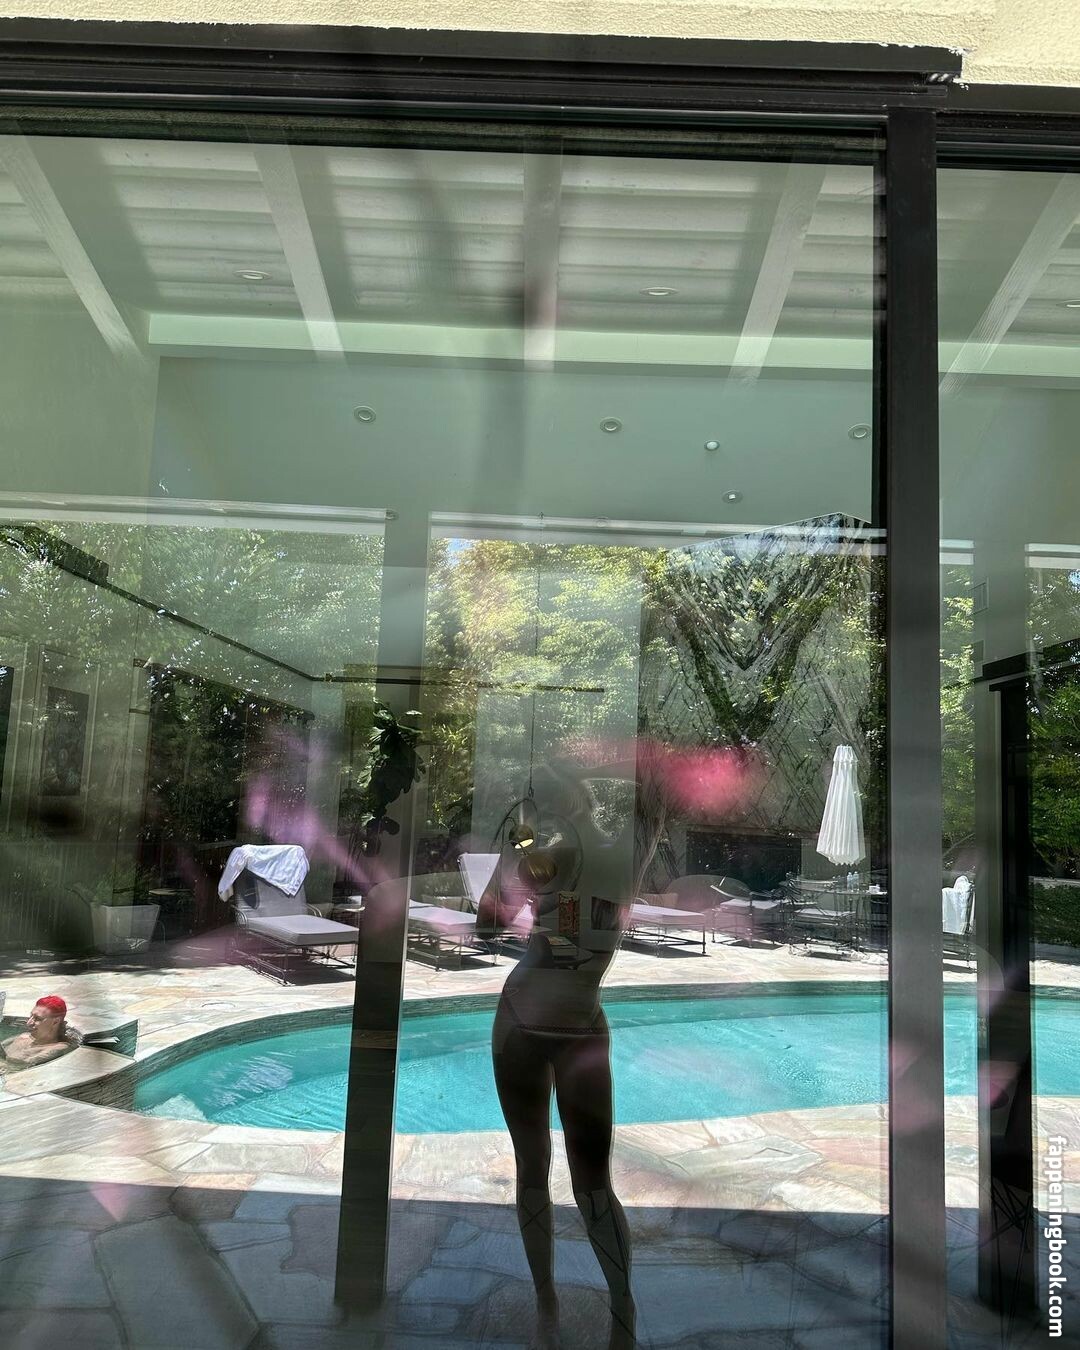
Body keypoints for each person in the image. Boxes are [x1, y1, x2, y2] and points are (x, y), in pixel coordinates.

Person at [491, 762, 636, 1350]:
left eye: (537, 799)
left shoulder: (557, 852)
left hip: (532, 1019)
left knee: (550, 1171)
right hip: (558, 1020)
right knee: (582, 1179)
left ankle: (561, 1300)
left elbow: (491, 913)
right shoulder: (602, 854)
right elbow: (498, 913)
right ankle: (604, 1306)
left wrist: (521, 845)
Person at [1, 995, 72, 1066]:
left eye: (38, 1019)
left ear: (55, 1022)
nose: (29, 1023)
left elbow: (20, 1066)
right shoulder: (24, 1037)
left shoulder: (58, 1048)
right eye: (31, 1016)